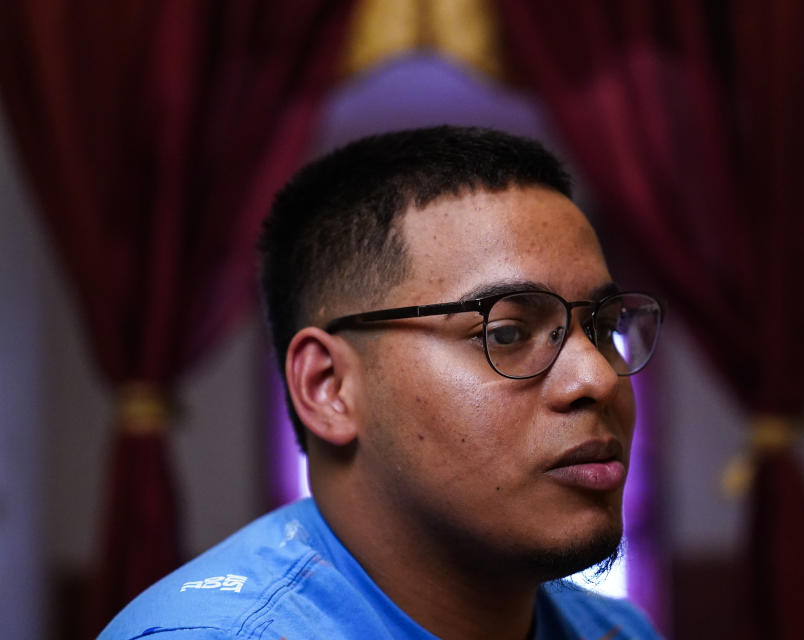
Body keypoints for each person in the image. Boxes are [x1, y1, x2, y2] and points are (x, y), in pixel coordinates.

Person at [100, 126, 664, 639]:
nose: (597, 377)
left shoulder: (616, 630)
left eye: (605, 328)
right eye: (508, 333)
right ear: (328, 386)